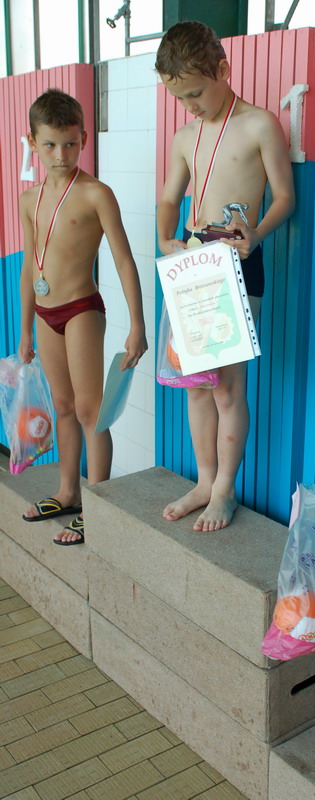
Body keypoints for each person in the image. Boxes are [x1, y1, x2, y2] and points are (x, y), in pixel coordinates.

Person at [155, 20, 295, 532]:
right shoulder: (185, 136)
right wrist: (165, 237)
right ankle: (204, 480)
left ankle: (225, 490)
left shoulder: (259, 125)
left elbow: (285, 197)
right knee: (195, 386)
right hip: (192, 262)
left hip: (236, 262)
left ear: (223, 70)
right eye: (179, 98)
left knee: (227, 389)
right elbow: (170, 198)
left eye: (195, 93)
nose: (189, 106)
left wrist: (256, 234)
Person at [19, 88, 147, 545]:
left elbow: (125, 260)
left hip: (80, 310)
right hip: (45, 313)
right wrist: (25, 330)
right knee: (64, 405)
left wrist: (137, 324)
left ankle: (98, 507)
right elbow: (29, 266)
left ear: (84, 139)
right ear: (32, 142)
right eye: (50, 144)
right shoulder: (29, 199)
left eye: (71, 144)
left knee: (92, 411)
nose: (61, 154)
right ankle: (68, 491)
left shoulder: (96, 193)